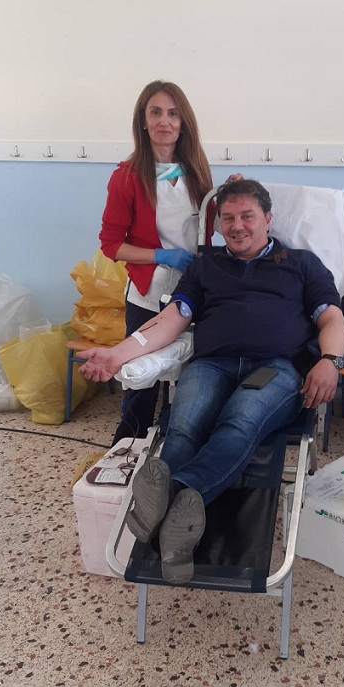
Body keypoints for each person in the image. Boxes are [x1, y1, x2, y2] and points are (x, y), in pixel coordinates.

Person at [78, 179, 344, 583]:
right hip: (211, 364)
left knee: (239, 422)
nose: (237, 226)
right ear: (219, 224)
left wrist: (330, 361)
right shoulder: (206, 267)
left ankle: (174, 494)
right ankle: (177, 521)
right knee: (183, 426)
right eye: (228, 218)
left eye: (247, 216)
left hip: (275, 368)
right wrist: (118, 353)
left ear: (268, 218)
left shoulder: (301, 264)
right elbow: (172, 319)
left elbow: (331, 318)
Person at [99, 80, 213, 445]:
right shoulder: (127, 177)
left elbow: (210, 224)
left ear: (183, 122)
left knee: (189, 383)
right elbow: (111, 245)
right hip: (149, 296)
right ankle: (124, 455)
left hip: (193, 294)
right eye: (156, 112)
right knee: (141, 387)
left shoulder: (196, 171)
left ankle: (171, 454)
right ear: (143, 121)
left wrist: (225, 193)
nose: (165, 121)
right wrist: (162, 256)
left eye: (173, 113)